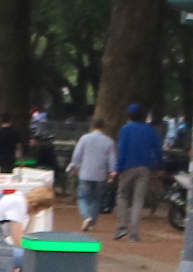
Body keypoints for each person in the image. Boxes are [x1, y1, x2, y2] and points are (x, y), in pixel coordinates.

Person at [113, 103, 163, 240]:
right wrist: (160, 166)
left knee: (122, 195)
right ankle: (134, 233)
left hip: (128, 166)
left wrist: (117, 169)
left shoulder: (125, 129)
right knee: (138, 200)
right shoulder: (150, 130)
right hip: (145, 168)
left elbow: (122, 149)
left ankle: (122, 226)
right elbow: (158, 149)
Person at [69, 115, 115, 230]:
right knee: (96, 199)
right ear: (103, 127)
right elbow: (112, 159)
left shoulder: (84, 139)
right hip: (100, 174)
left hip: (86, 172)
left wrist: (74, 166)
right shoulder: (109, 141)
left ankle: (86, 216)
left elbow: (77, 155)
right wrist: (112, 172)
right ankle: (92, 221)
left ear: (91, 126)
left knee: (83, 197)